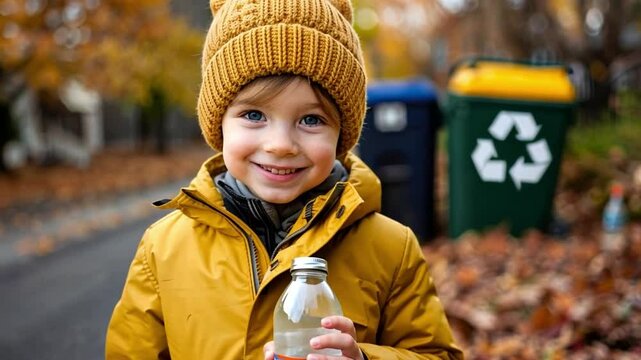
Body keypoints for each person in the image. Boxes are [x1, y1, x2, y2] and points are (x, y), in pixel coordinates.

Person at [105, 0, 464, 359]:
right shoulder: (164, 248)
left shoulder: (391, 249)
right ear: (218, 124)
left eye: (311, 120)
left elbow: (435, 353)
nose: (280, 146)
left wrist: (364, 358)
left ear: (341, 136)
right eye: (254, 114)